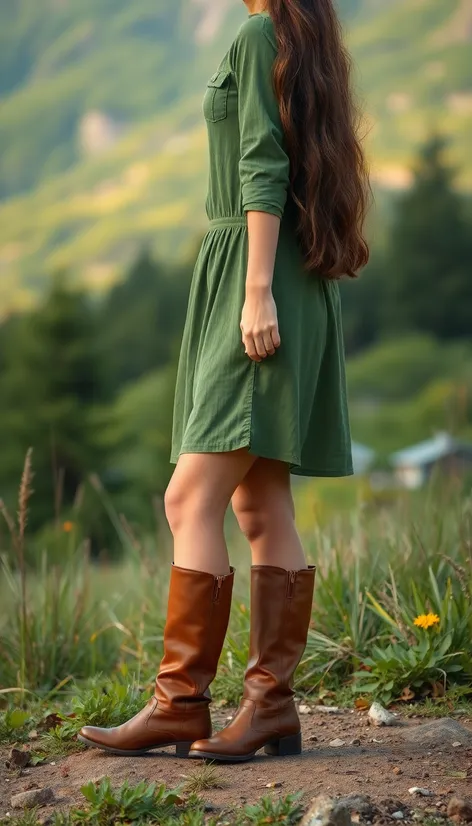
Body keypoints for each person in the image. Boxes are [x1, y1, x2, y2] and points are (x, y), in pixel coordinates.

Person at [78, 0, 369, 762]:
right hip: (285, 279)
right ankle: (270, 709)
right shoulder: (302, 38)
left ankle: (182, 703)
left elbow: (261, 165)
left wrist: (254, 290)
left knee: (189, 496)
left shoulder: (254, 31)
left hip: (259, 274)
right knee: (261, 498)